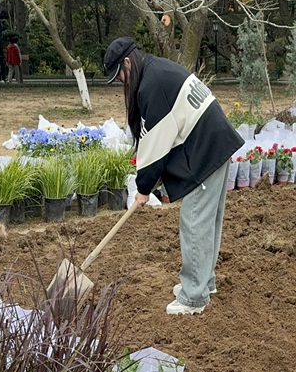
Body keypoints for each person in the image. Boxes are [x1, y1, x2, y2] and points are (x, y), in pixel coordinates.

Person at [103, 36, 243, 315]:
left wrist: (143, 187)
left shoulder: (151, 85)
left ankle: (193, 296)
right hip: (214, 143)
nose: (121, 82)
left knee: (194, 221)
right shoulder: (156, 69)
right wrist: (147, 183)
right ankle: (204, 282)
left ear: (127, 63)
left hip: (205, 150)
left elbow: (156, 143)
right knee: (207, 222)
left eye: (119, 75)